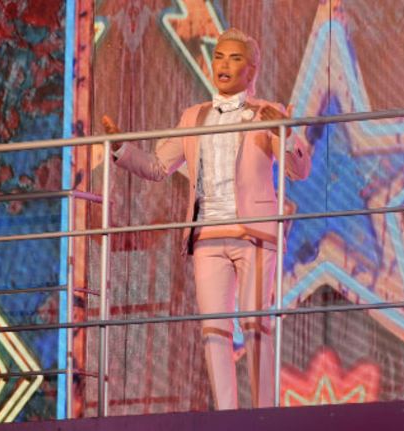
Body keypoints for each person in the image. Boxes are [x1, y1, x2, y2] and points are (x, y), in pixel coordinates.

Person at [103, 28, 310, 410]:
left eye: (234, 58)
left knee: (256, 324)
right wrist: (121, 148)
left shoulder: (267, 111)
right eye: (218, 56)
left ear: (251, 70)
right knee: (213, 329)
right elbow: (158, 166)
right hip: (207, 238)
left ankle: (265, 414)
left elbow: (299, 170)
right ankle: (227, 415)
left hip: (254, 234)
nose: (224, 65)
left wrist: (284, 133)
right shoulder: (193, 116)